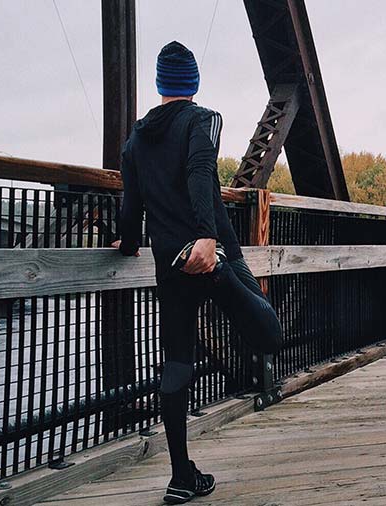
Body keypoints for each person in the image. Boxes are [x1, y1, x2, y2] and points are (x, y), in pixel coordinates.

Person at [112, 41, 282, 504]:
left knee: (177, 363)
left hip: (170, 265)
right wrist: (210, 240)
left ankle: (181, 476)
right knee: (268, 334)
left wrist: (126, 245)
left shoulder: (134, 141)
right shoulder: (201, 121)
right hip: (212, 254)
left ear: (159, 84)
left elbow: (131, 208)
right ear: (193, 82)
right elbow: (199, 171)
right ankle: (224, 276)